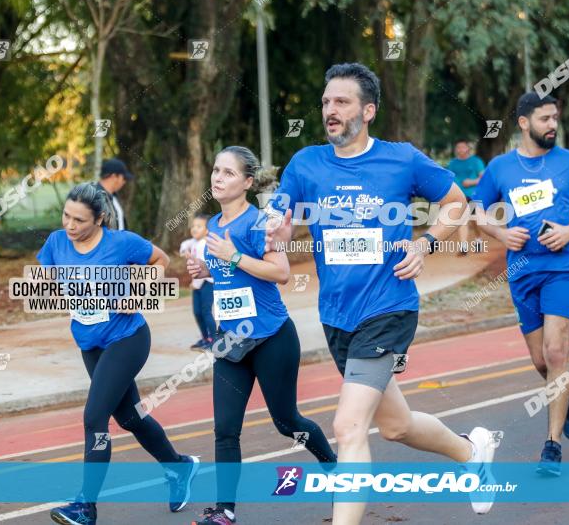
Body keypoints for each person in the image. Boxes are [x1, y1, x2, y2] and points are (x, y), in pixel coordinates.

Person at [265, 62, 499, 524]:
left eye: (342, 102)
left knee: (349, 426)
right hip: (337, 315)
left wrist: (425, 242)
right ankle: (473, 452)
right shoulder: (305, 164)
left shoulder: (402, 160)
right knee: (395, 425)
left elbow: (455, 203)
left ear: (368, 110)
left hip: (388, 307)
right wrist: (274, 228)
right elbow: (280, 216)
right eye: (327, 102)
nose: (331, 110)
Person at [186, 147, 337, 525]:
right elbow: (231, 273)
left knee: (287, 422)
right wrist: (207, 264)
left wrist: (233, 256)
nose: (217, 178)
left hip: (271, 337)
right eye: (215, 170)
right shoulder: (216, 225)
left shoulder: (259, 223)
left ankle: (334, 468)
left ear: (248, 183)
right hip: (231, 342)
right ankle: (225, 511)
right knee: (224, 430)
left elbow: (280, 273)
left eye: (228, 173)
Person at [37, 183, 199, 525]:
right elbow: (49, 277)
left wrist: (140, 292)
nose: (69, 225)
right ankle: (179, 467)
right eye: (66, 215)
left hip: (127, 338)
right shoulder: (56, 242)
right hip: (90, 343)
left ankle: (85, 506)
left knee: (95, 417)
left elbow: (161, 259)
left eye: (79, 220)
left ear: (99, 219)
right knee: (129, 417)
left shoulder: (120, 243)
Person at [473, 93, 569, 476]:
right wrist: (501, 234)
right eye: (545, 118)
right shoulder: (499, 168)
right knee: (541, 361)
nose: (553, 124)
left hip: (564, 267)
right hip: (522, 270)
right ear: (524, 123)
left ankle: (551, 446)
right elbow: (477, 211)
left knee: (556, 353)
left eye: (555, 118)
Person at [179, 214, 216, 350]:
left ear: (207, 230)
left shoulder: (205, 244)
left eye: (199, 226)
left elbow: (201, 268)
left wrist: (195, 284)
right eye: (193, 226)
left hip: (207, 282)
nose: (194, 229)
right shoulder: (195, 242)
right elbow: (185, 245)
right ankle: (205, 338)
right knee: (197, 312)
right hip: (197, 283)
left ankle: (214, 340)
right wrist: (185, 251)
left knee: (206, 311)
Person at [446, 140, 485, 255]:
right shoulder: (452, 163)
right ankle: (463, 246)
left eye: (463, 147)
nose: (460, 149)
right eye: (458, 147)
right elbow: (448, 178)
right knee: (461, 219)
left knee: (475, 220)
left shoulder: (476, 161)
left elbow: (483, 178)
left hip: (474, 194)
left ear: (468, 149)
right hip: (459, 196)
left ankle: (478, 239)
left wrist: (472, 182)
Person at [94, 158, 132, 231]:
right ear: (114, 177)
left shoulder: (114, 197)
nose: (124, 182)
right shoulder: (94, 197)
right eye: (123, 178)